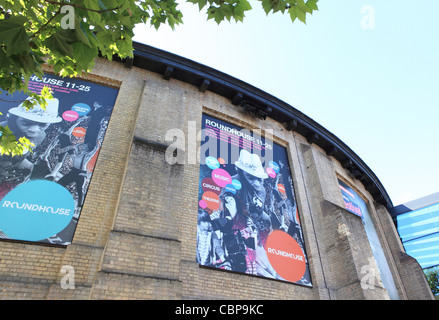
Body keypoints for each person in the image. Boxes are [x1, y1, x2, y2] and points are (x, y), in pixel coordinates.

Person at [0, 97, 61, 199]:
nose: (34, 129)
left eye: (43, 124)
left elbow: (17, 159)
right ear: (14, 118)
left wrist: (36, 169)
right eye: (26, 123)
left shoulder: (40, 136)